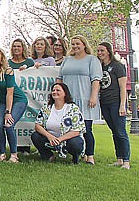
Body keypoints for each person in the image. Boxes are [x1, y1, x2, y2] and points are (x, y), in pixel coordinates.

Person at [57, 35, 102, 164]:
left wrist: (93, 96)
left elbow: (96, 80)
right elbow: (60, 77)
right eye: (73, 44)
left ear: (84, 45)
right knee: (69, 128)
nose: (75, 46)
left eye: (78, 44)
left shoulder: (92, 60)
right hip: (69, 100)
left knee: (86, 128)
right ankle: (73, 152)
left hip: (85, 98)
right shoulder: (67, 60)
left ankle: (90, 155)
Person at [31, 83, 85, 164]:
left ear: (65, 93)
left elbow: (77, 130)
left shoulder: (73, 108)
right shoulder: (47, 107)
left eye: (58, 90)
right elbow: (38, 125)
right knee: (35, 136)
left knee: (75, 143)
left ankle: (75, 158)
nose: (55, 92)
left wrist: (60, 139)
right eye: (53, 90)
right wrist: (50, 137)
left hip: (67, 139)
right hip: (50, 139)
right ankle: (48, 156)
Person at [97, 41, 130, 169]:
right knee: (114, 131)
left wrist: (123, 105)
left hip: (116, 102)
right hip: (104, 102)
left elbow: (123, 88)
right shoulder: (100, 67)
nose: (100, 53)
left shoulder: (117, 66)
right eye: (98, 51)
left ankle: (126, 160)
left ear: (108, 51)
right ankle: (119, 158)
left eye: (102, 51)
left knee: (121, 132)